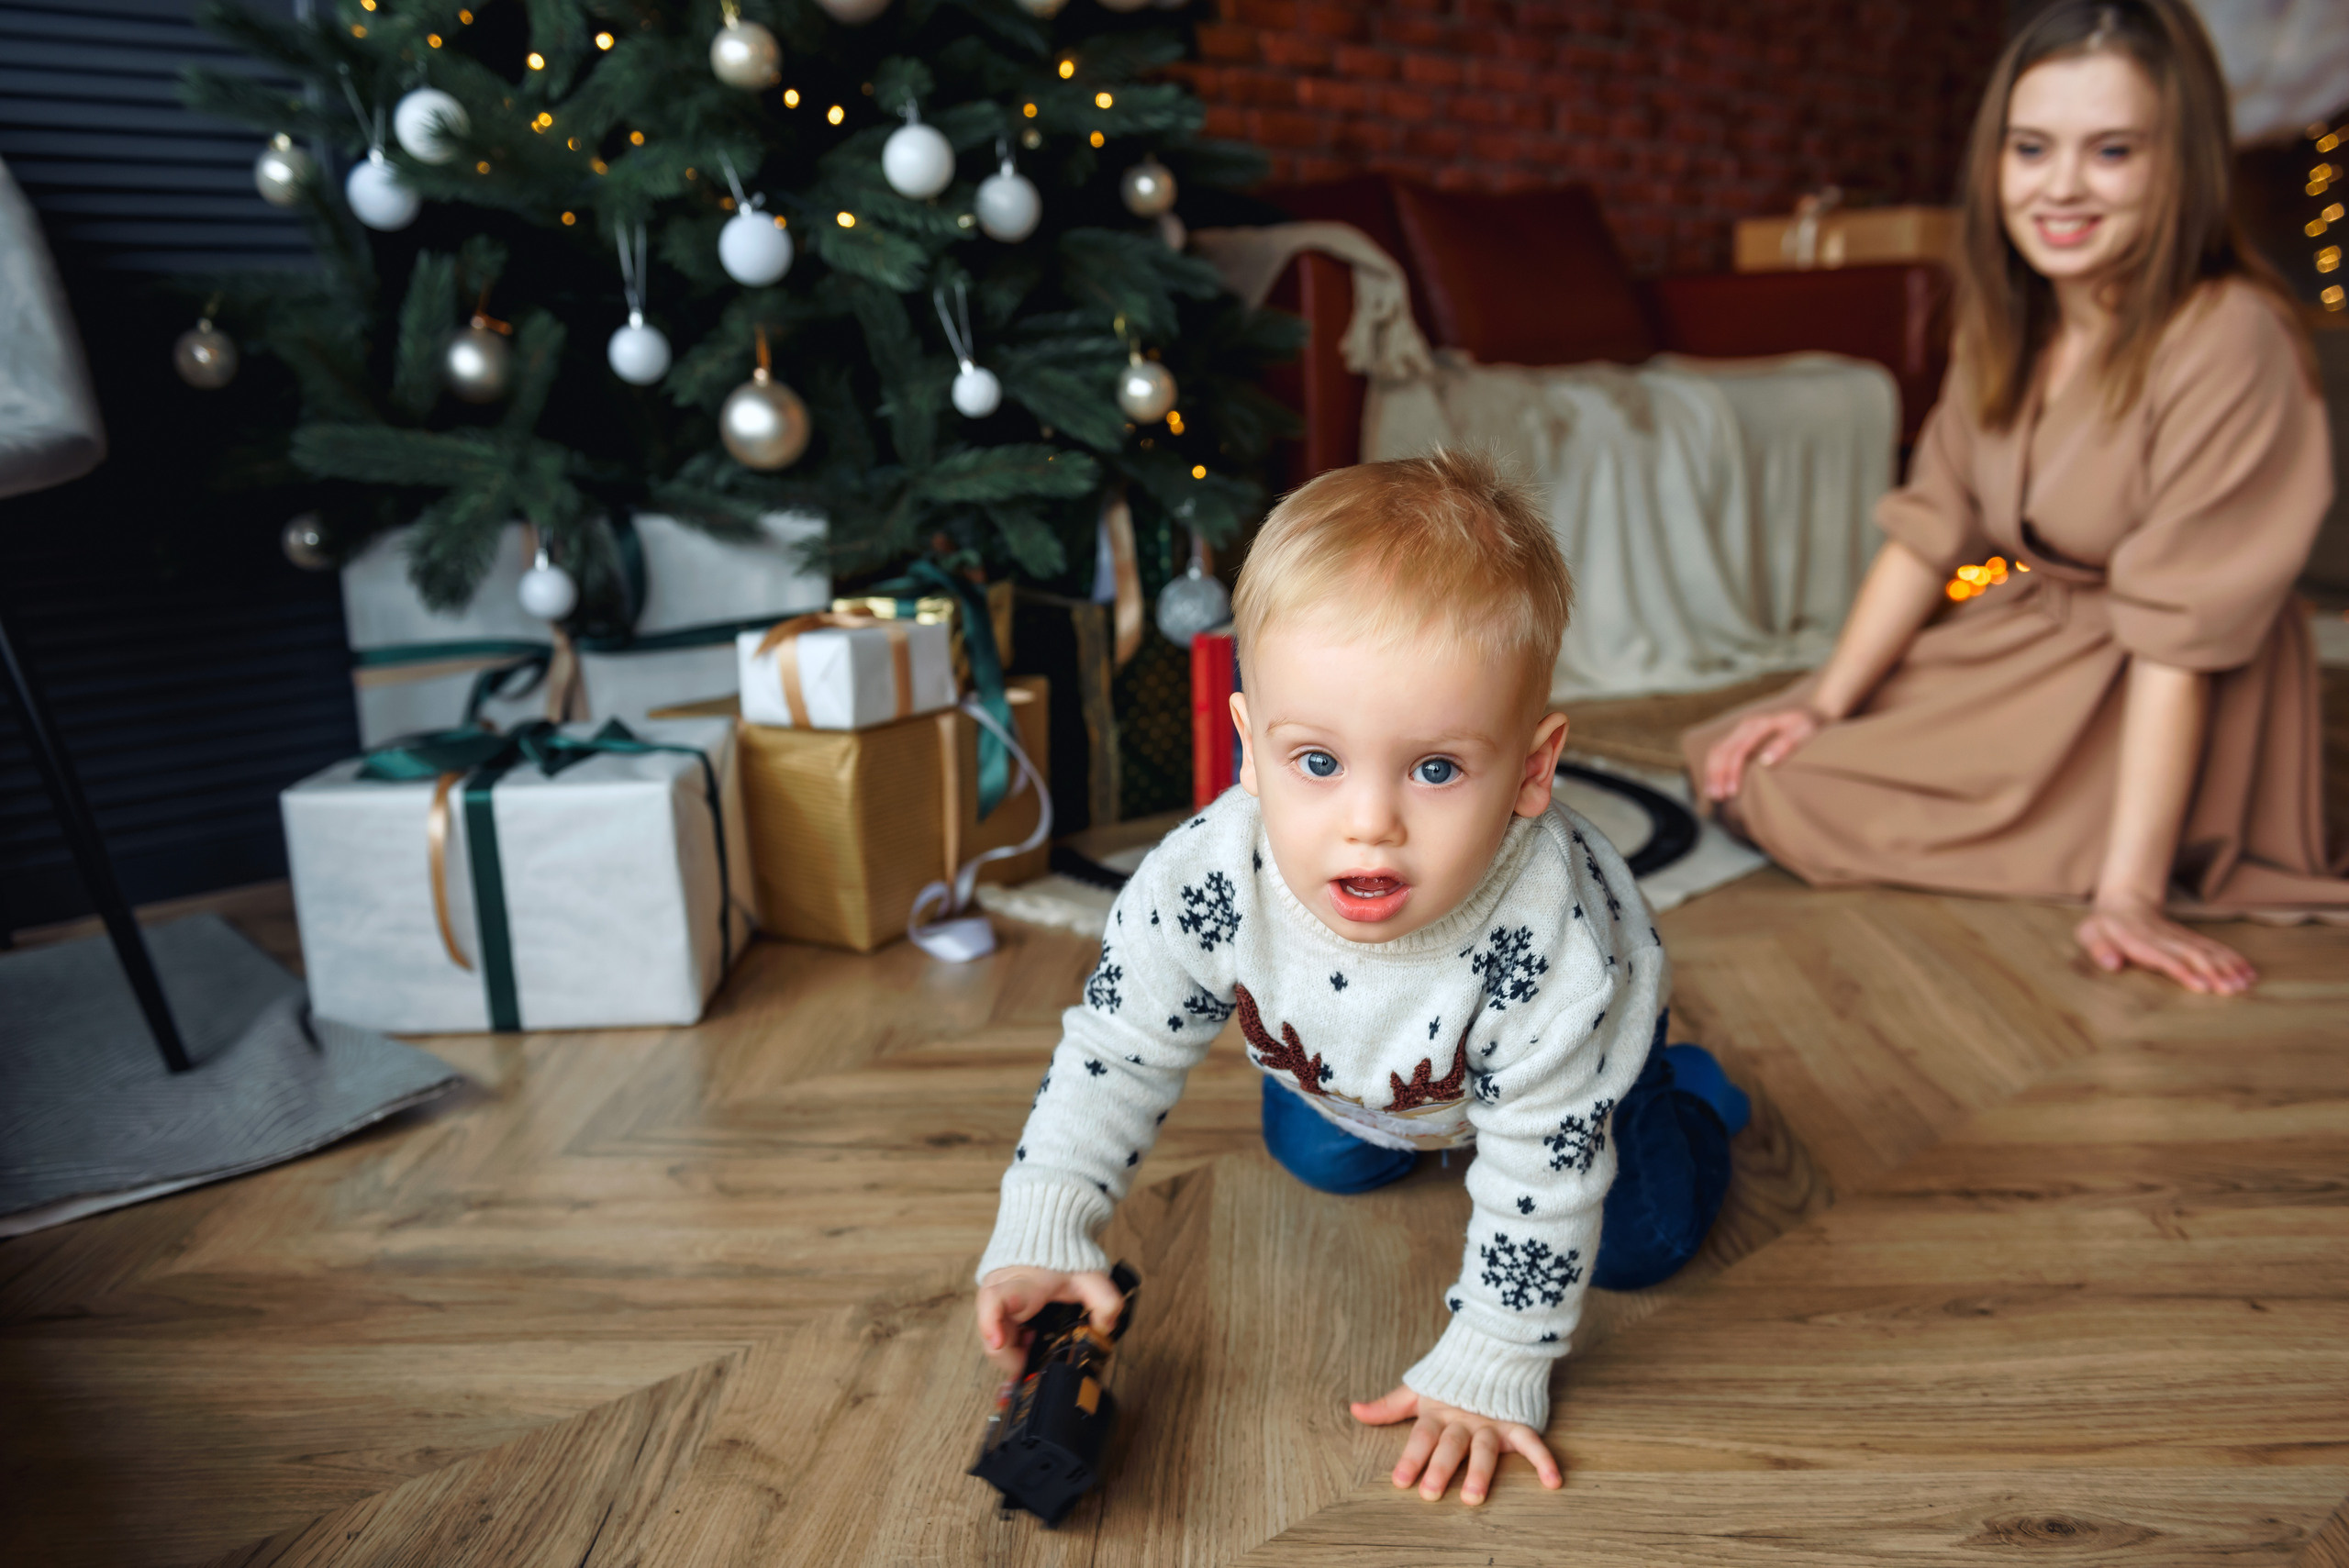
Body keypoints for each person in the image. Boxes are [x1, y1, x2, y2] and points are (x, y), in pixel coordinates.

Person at [973, 451, 1749, 1508]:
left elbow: (1545, 1176)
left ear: (1531, 769)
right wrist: (1046, 1222)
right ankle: (1431, 1115)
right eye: (1317, 761)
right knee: (1318, 1158)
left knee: (1639, 1245)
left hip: (1572, 1073)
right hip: (1364, 1070)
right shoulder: (1209, 876)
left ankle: (1687, 1091)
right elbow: (1118, 1046)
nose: (1368, 822)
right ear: (1250, 749)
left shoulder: (1552, 947)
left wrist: (1493, 1353)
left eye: (1435, 768)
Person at [1688, 0, 2342, 995]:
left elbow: (2179, 635)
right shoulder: (2007, 321)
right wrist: (1822, 700)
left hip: (2173, 680)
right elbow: (1930, 533)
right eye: (2031, 148)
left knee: (1804, 799)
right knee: (1751, 766)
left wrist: (2129, 892)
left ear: (2181, 163)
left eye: (2111, 150)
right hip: (2028, 639)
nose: (2060, 186)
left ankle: (2102, 842)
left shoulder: (2229, 334)